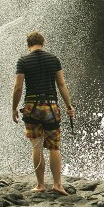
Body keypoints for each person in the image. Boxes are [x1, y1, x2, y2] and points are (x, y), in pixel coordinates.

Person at [11, 31, 75, 195]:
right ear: (43, 43)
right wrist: (69, 106)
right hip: (50, 106)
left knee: (37, 146)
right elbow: (61, 84)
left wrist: (14, 107)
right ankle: (58, 185)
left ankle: (40, 185)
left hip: (32, 107)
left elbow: (18, 87)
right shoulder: (53, 59)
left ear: (28, 45)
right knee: (54, 147)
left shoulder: (23, 61)